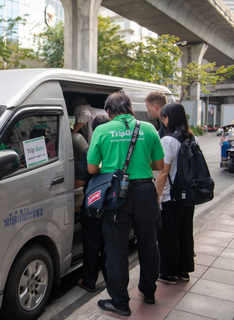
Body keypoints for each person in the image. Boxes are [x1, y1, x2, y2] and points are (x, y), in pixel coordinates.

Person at [87, 92, 164, 316]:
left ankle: (120, 302)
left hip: (115, 195)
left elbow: (92, 169)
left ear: (109, 112)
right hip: (144, 191)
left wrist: (112, 165)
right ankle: (148, 292)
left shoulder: (102, 130)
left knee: (116, 249)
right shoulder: (149, 129)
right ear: (130, 108)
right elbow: (159, 165)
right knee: (149, 243)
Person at [155, 102, 196, 285]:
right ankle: (183, 270)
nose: (162, 121)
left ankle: (168, 273)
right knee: (185, 232)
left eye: (163, 117)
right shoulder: (192, 138)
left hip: (171, 195)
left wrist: (157, 196)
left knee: (168, 234)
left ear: (167, 118)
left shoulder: (168, 140)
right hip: (188, 195)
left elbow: (164, 172)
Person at [75, 115, 110, 293]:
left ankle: (89, 281)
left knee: (91, 244)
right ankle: (111, 281)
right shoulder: (117, 149)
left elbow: (80, 181)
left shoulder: (90, 151)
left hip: (93, 205)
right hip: (112, 204)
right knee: (109, 245)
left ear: (94, 130)